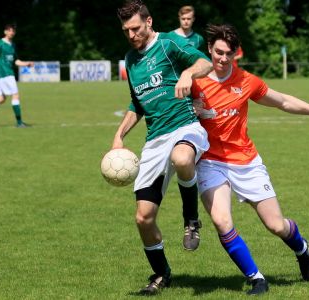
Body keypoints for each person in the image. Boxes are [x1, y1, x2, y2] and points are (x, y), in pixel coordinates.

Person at [191, 23, 309, 295]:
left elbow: (283, 101)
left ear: (236, 53)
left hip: (246, 161)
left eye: (228, 53)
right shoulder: (195, 81)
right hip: (210, 162)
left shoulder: (246, 81)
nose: (222, 59)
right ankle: (256, 278)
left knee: (276, 225)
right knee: (221, 221)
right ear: (209, 50)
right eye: (218, 52)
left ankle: (301, 248)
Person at [113, 0, 213, 295]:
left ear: (148, 21)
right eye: (125, 31)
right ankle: (161, 273)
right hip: (154, 140)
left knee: (182, 158)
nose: (131, 35)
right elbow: (137, 104)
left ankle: (191, 220)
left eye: (135, 28)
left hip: (185, 126)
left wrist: (187, 74)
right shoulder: (131, 60)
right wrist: (119, 136)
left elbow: (205, 63)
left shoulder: (168, 44)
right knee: (143, 217)